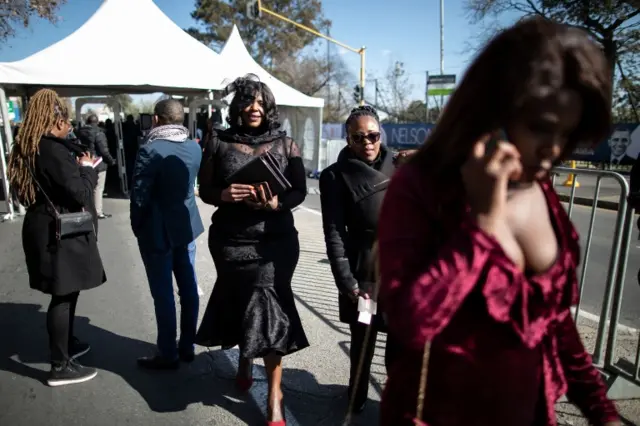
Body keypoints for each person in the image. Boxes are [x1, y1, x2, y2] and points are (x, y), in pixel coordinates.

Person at [376, 17, 621, 426]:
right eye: (540, 128)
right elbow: (410, 322)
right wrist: (483, 224)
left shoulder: (539, 185)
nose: (553, 151)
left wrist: (601, 410)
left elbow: (554, 321)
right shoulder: (421, 187)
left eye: (568, 133)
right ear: (492, 114)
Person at [196, 75, 309, 426]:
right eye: (247, 101)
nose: (254, 107)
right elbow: (206, 188)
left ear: (269, 106)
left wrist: (276, 202)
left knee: (271, 305)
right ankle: (246, 360)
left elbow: (299, 192)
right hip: (231, 241)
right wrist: (225, 195)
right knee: (244, 302)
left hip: (275, 242)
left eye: (260, 101)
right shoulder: (219, 142)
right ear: (238, 106)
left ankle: (275, 395)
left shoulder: (286, 144)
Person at [8, 88, 106, 386]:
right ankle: (59, 365)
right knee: (63, 296)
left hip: (46, 224)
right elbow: (78, 191)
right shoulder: (52, 149)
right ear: (55, 120)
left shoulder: (32, 145)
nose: (71, 126)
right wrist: (88, 170)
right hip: (59, 230)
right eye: (67, 121)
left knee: (67, 291)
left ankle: (66, 345)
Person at [319, 105, 398, 414]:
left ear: (382, 135)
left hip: (399, 267)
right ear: (348, 139)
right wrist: (345, 281)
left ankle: (396, 400)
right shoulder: (335, 177)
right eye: (359, 137)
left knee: (400, 342)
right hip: (363, 267)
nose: (368, 142)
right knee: (363, 338)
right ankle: (357, 396)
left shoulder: (402, 165)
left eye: (373, 135)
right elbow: (334, 232)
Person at [129, 99, 204, 370]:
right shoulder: (194, 148)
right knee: (188, 289)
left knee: (163, 294)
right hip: (186, 228)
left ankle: (168, 352)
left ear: (158, 119)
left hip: (158, 231)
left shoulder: (150, 149)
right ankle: (187, 346)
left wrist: (137, 227)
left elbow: (139, 196)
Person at [77, 114, 117, 219]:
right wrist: (111, 161)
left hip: (85, 161)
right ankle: (98, 212)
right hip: (98, 163)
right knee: (98, 189)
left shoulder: (80, 132)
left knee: (87, 186)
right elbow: (103, 150)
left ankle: (86, 209)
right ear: (97, 122)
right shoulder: (99, 133)